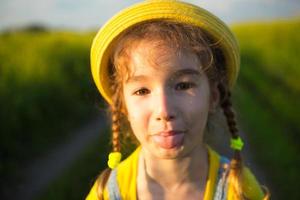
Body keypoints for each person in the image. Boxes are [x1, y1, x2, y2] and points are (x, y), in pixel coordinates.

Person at [86, 1, 269, 199]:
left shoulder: (239, 190)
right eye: (142, 91)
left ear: (213, 97)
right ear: (123, 106)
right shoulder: (107, 193)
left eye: (183, 86)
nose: (164, 111)